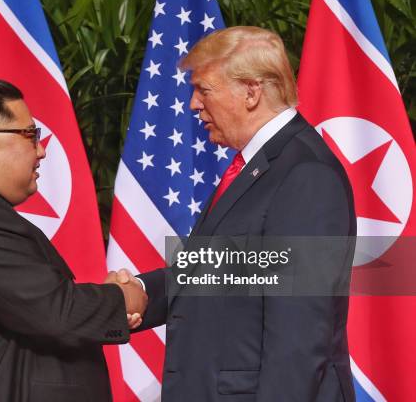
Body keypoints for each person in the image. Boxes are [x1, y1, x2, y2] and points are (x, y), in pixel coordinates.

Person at [110, 26, 356, 401]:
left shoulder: (306, 175)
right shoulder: (254, 167)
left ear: (252, 91)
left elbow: (299, 338)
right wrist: (140, 291)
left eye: (204, 90)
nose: (193, 104)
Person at [0, 78, 146, 402]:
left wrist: (147, 290)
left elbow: (41, 309)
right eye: (30, 135)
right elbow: (58, 314)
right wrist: (123, 300)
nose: (41, 149)